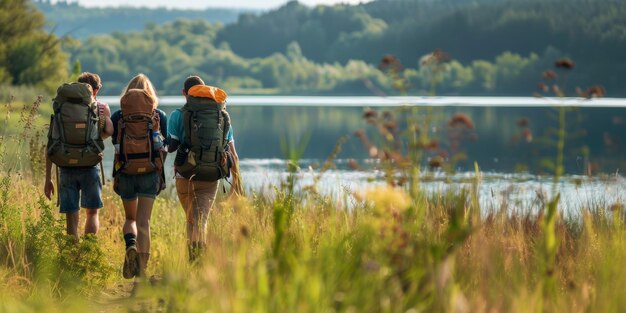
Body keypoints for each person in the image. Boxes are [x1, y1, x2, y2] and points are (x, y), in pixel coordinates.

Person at [167, 75, 238, 262]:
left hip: (184, 175)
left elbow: (171, 147)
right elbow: (233, 153)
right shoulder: (221, 116)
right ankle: (198, 263)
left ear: (185, 93)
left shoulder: (177, 115)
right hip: (211, 175)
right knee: (201, 220)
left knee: (191, 220)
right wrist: (236, 182)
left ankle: (194, 261)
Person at [44, 72, 113, 241]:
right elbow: (110, 131)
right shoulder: (100, 107)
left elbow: (51, 144)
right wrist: (96, 137)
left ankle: (72, 257)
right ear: (96, 89)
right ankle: (88, 253)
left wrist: (48, 178)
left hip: (66, 165)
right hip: (89, 164)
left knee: (71, 214)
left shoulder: (62, 107)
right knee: (92, 212)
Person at [111, 73, 167, 280]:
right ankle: (142, 274)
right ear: (150, 94)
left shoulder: (118, 116)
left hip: (125, 172)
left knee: (130, 218)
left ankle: (130, 245)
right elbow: (166, 145)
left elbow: (114, 143)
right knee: (144, 222)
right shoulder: (158, 115)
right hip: (150, 172)